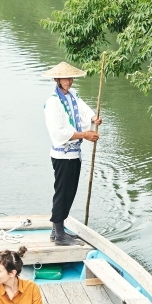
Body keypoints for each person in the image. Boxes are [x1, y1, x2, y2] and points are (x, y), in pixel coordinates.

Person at [42, 61, 100, 245]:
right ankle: (59, 234)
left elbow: (83, 111)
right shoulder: (52, 103)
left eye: (70, 78)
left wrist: (93, 118)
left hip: (75, 153)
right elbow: (59, 132)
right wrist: (85, 134)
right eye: (65, 78)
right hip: (62, 155)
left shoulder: (73, 95)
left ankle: (56, 230)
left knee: (70, 191)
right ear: (57, 79)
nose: (68, 81)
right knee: (63, 192)